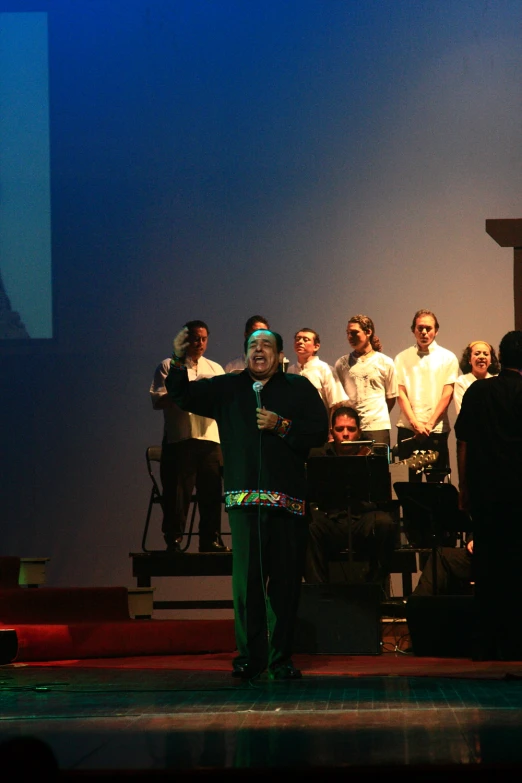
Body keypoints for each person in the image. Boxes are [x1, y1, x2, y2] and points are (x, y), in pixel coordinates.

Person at [166, 327, 328, 680]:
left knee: (285, 587)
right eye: (253, 345)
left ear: (280, 355)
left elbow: (319, 431)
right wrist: (179, 360)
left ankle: (280, 658)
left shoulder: (298, 388)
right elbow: (183, 395)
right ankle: (249, 657)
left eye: (266, 345)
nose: (259, 350)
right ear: (245, 353)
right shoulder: (229, 386)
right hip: (244, 505)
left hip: (287, 505)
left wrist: (282, 425)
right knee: (247, 586)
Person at [456, 330, 522, 660]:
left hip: (485, 492)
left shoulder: (478, 391)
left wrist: (464, 487)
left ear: (500, 357)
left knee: (487, 565)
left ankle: (485, 643)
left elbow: (463, 441)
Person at [150, 320, 227, 553]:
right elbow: (158, 401)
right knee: (177, 493)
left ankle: (210, 539)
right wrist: (185, 392)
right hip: (180, 438)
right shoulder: (169, 365)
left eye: (204, 339)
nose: (199, 343)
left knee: (211, 492)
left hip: (210, 438)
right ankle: (173, 540)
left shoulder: (215, 369)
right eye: (195, 338)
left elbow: (224, 403)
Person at [304, 405, 396, 586]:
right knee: (308, 528)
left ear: (359, 432)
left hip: (362, 519)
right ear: (332, 432)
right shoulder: (319, 455)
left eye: (351, 429)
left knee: (385, 523)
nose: (345, 434)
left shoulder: (372, 455)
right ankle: (320, 592)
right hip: (330, 520)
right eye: (340, 429)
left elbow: (382, 498)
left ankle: (373, 588)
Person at [394, 309, 459, 482]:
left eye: (428, 328)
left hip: (435, 430)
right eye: (420, 328)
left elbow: (448, 393)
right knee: (409, 485)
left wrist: (429, 424)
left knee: (436, 485)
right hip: (409, 430)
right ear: (413, 330)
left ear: (436, 330)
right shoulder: (401, 358)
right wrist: (415, 424)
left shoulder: (448, 357)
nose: (424, 332)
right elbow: (400, 393)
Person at [334, 315, 397, 447]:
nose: (350, 337)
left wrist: (375, 414)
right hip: (351, 427)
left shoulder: (385, 362)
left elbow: (391, 397)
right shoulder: (342, 363)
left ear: (368, 332)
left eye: (354, 333)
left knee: (377, 465)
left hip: (377, 425)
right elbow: (338, 398)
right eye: (348, 333)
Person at [287, 328, 344, 413]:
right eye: (297, 339)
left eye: (306, 340)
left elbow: (336, 404)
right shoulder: (290, 370)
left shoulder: (324, 369)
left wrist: (331, 426)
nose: (300, 342)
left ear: (316, 346)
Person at [453, 341, 499, 414]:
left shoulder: (498, 381)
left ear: (491, 360)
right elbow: (462, 413)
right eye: (477, 354)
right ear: (469, 359)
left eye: (486, 354)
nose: (481, 357)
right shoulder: (462, 381)